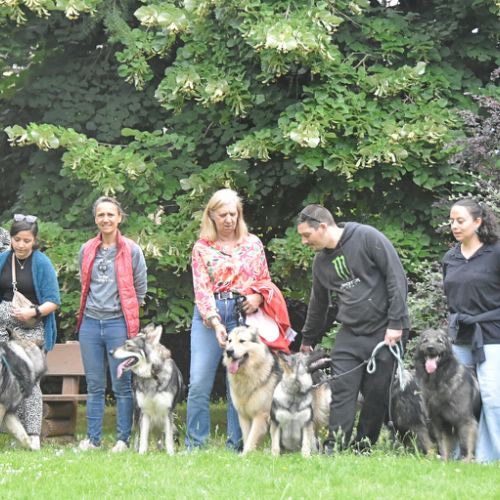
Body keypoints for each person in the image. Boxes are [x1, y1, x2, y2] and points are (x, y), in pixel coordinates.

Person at [297, 204, 410, 454]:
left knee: (376, 393)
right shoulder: (321, 262)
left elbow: (396, 278)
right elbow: (318, 303)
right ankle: (335, 447)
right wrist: (308, 339)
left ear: (322, 227)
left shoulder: (367, 237)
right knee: (342, 390)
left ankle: (363, 446)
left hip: (385, 329)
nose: (304, 241)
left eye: (306, 235)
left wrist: (395, 323)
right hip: (351, 331)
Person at [185, 188, 292, 451]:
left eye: (233, 214)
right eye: (223, 215)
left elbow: (264, 280)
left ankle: (238, 444)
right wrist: (215, 322)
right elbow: (201, 289)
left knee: (241, 379)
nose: (229, 220)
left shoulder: (253, 243)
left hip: (245, 313)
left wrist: (257, 296)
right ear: (211, 216)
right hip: (210, 314)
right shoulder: (202, 248)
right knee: (199, 380)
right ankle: (195, 445)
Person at [77, 196, 147, 452]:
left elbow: (140, 289)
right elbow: (84, 283)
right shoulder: (87, 249)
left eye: (110, 214)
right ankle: (93, 440)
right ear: (95, 218)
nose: (105, 219)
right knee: (94, 385)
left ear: (119, 218)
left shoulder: (132, 250)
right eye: (101, 215)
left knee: (122, 385)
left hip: (118, 324)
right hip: (90, 324)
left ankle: (122, 440)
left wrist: (127, 314)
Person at [443, 198, 500, 463]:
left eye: (460, 220)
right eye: (452, 221)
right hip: (461, 336)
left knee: (492, 397)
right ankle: (460, 455)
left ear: (478, 222)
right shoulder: (450, 258)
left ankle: (491, 457)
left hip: (493, 334)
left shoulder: (495, 253)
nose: (454, 226)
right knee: (457, 400)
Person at [0, 214, 61, 450]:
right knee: (5, 382)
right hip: (3, 327)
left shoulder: (42, 263)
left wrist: (32, 312)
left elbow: (53, 301)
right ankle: (18, 435)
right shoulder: (4, 259)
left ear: (34, 240)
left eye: (27, 240)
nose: (21, 245)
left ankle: (33, 434)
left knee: (29, 382)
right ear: (11, 238)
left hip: (31, 328)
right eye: (17, 240)